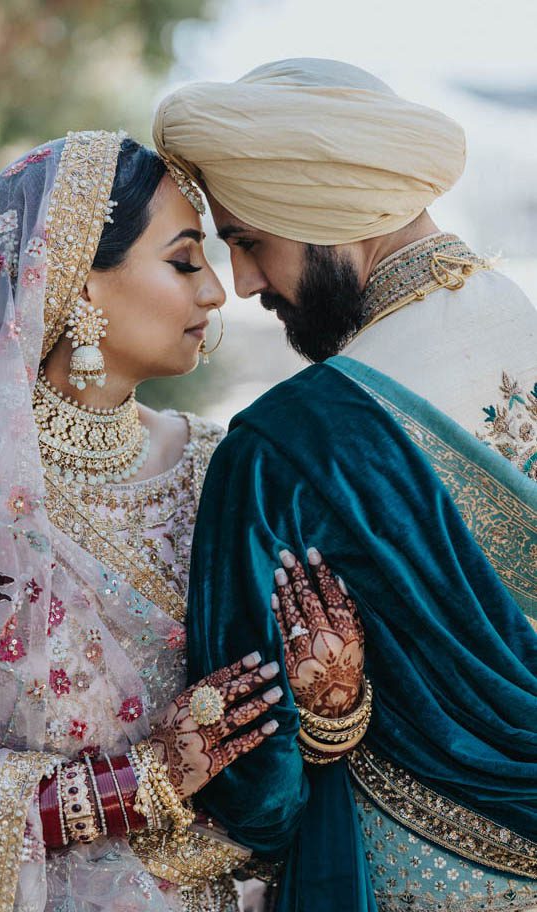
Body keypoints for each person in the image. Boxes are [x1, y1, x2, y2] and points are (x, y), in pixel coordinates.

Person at [0, 128, 366, 912]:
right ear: (75, 282)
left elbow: (285, 740)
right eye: (184, 261)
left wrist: (334, 706)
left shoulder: (223, 466)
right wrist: (134, 783)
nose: (217, 292)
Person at [154, 59, 537, 911]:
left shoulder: (284, 445)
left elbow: (253, 789)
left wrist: (327, 720)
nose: (244, 284)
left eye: (249, 240)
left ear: (319, 209)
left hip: (414, 876)